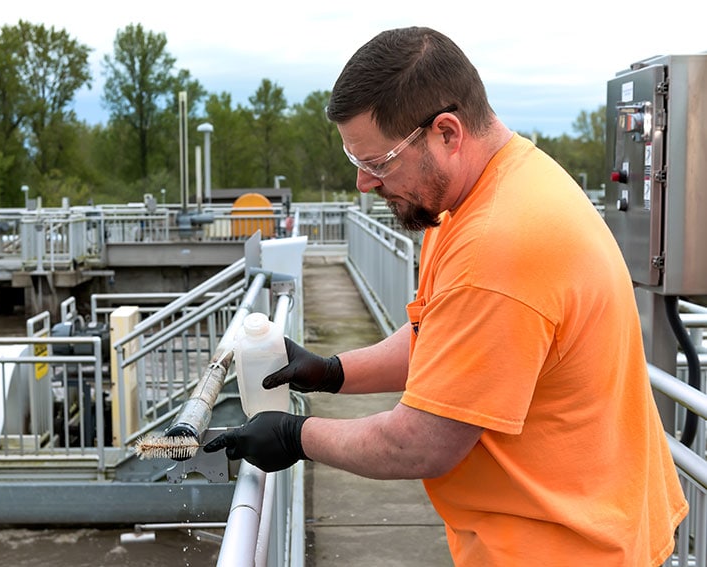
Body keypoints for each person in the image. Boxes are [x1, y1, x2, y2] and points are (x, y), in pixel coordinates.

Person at [204, 26, 688, 565]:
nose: (364, 184)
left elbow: (423, 441)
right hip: (565, 527)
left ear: (447, 133)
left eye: (378, 163)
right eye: (355, 162)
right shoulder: (475, 194)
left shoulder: (498, 242)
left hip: (566, 546)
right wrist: (332, 372)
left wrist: (296, 436)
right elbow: (439, 340)